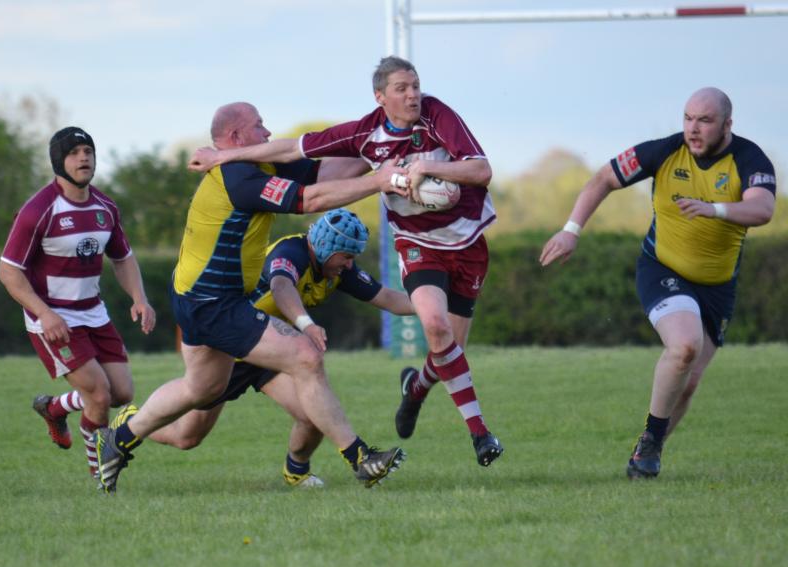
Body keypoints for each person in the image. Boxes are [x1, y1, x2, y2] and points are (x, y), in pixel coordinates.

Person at [188, 56, 503, 468]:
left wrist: (428, 166)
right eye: (402, 88)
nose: (412, 95)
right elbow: (290, 147)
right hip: (417, 244)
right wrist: (220, 158)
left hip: (468, 241)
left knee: (449, 349)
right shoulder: (362, 136)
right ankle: (479, 435)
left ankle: (414, 390)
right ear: (380, 96)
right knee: (436, 327)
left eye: (415, 86)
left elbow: (481, 170)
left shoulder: (437, 115)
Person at [93, 102, 410, 493]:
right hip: (212, 301)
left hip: (203, 297)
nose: (267, 130)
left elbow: (326, 171)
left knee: (201, 390)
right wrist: (380, 181)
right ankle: (361, 458)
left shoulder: (259, 164)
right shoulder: (238, 177)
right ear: (236, 138)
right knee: (306, 357)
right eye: (259, 126)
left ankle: (118, 440)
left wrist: (373, 152)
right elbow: (310, 200)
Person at [539, 87, 776, 479]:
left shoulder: (749, 159)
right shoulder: (665, 151)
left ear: (727, 125)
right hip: (662, 269)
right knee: (684, 347)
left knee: (689, 381)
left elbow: (763, 208)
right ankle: (650, 442)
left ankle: (647, 451)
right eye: (687, 118)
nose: (693, 129)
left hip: (718, 286)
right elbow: (603, 179)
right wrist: (570, 230)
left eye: (704, 121)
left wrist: (714, 209)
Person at [145, 208, 415, 487]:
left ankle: (299, 470)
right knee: (187, 437)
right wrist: (306, 324)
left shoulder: (338, 269)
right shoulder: (291, 252)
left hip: (271, 353)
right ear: (325, 246)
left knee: (313, 412)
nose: (349, 265)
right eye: (346, 256)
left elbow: (387, 297)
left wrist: (433, 306)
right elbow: (281, 287)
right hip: (231, 351)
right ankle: (133, 422)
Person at [0, 127, 156, 478]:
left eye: (88, 150)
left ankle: (55, 408)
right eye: (74, 152)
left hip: (93, 313)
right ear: (59, 161)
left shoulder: (105, 207)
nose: (83, 157)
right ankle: (100, 474)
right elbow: (9, 273)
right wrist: (45, 313)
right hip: (52, 318)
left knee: (122, 393)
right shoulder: (38, 210)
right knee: (98, 396)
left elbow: (123, 258)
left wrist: (139, 298)